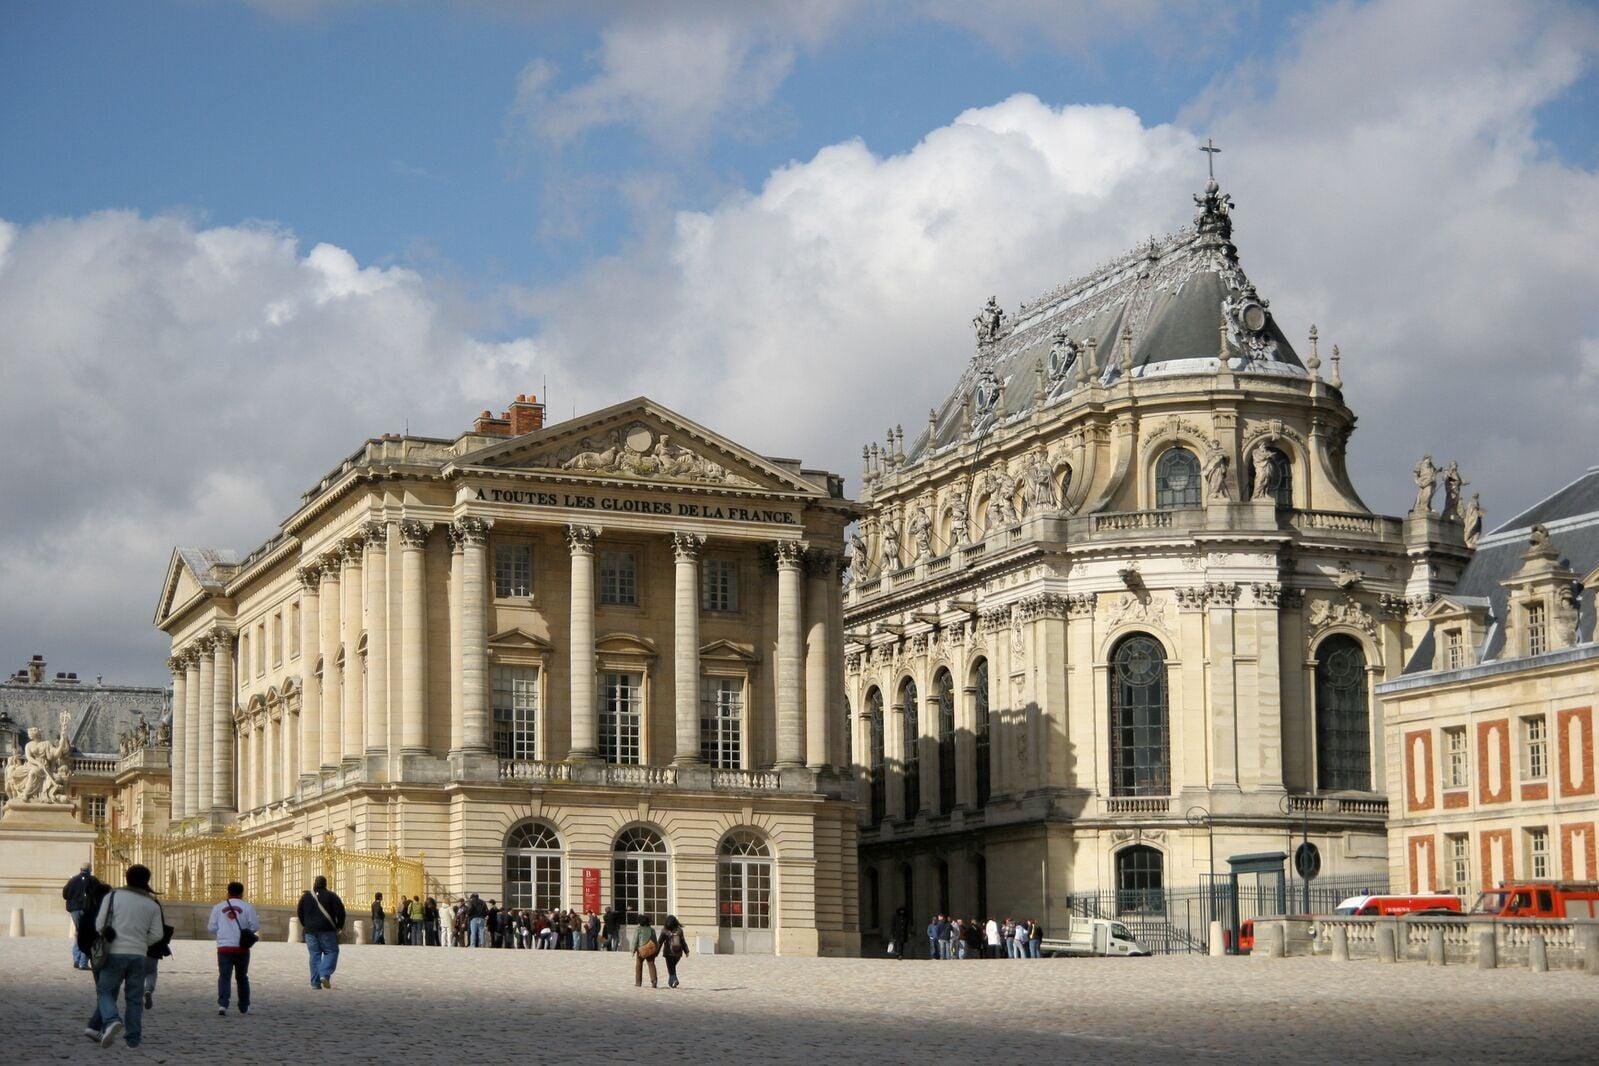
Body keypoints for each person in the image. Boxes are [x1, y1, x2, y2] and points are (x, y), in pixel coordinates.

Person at [87, 864, 166, 1049]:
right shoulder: (151, 903)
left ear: (126, 877)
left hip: (114, 952)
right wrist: (141, 942)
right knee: (134, 999)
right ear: (147, 880)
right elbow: (158, 934)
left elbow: (99, 924)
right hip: (138, 955)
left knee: (105, 991)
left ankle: (112, 1019)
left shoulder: (113, 896)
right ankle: (133, 1039)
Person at [207, 881, 260, 1016]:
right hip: (241, 947)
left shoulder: (218, 907)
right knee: (242, 977)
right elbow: (254, 926)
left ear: (228, 892)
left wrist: (223, 933)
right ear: (242, 893)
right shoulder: (248, 907)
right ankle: (244, 1006)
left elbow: (211, 927)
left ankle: (223, 1004)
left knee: (224, 976)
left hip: (224, 947)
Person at [296, 875, 345, 990]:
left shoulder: (306, 896)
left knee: (314, 955)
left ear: (314, 883)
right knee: (331, 951)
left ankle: (315, 983)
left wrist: (306, 925)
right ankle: (324, 974)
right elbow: (341, 912)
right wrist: (339, 926)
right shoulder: (332, 896)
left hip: (310, 931)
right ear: (325, 884)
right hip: (327, 930)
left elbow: (299, 912)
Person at [63, 862, 96, 970]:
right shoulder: (93, 880)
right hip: (87, 910)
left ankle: (77, 959)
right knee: (86, 935)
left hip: (74, 910)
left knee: (79, 933)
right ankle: (83, 962)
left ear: (80, 869)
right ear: (90, 869)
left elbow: (65, 894)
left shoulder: (72, 880)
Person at [659, 915, 689, 989]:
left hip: (668, 953)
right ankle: (671, 983)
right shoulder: (679, 931)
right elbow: (683, 942)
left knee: (671, 968)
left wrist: (656, 952)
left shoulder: (664, 931)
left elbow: (660, 942)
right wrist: (686, 951)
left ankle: (675, 980)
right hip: (678, 953)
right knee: (672, 967)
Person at [631, 914, 658, 989]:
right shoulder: (652, 930)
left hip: (641, 950)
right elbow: (655, 941)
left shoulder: (638, 929)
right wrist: (656, 950)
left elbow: (635, 940)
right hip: (650, 950)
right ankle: (654, 981)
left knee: (639, 966)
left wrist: (633, 950)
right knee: (651, 965)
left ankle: (638, 982)